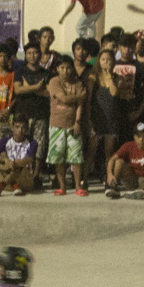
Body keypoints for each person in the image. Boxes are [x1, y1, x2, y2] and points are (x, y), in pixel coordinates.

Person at [45, 55, 88, 194]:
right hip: (56, 124)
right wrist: (79, 97)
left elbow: (80, 106)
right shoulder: (54, 82)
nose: (65, 71)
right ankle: (62, 186)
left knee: (76, 157)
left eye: (68, 68)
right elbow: (63, 98)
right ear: (57, 69)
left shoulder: (78, 83)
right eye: (62, 68)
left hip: (72, 125)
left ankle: (77, 187)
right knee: (59, 158)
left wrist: (77, 122)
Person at [107, 122, 144, 196]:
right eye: (138, 136)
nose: (141, 139)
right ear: (134, 137)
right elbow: (112, 159)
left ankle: (140, 191)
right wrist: (109, 174)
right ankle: (114, 187)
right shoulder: (128, 146)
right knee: (119, 161)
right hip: (133, 179)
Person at [0, 116, 41, 195]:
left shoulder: (32, 143)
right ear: (12, 128)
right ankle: (15, 185)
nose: (20, 130)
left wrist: (17, 162)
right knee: (1, 156)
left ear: (27, 129)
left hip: (24, 180)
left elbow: (30, 159)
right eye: (17, 127)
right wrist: (6, 160)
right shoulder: (6, 140)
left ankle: (2, 185)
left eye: (23, 128)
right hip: (7, 171)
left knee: (22, 163)